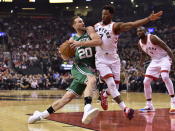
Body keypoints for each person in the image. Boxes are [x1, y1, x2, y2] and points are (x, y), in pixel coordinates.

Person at [28, 16, 102, 125]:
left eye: (82, 21)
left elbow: (98, 41)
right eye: (79, 22)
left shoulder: (89, 30)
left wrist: (80, 44)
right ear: (74, 26)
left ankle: (40, 115)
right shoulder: (72, 40)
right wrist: (65, 52)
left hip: (88, 68)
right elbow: (65, 57)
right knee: (91, 79)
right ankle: (87, 108)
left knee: (66, 98)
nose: (82, 23)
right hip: (79, 67)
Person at [94, 5, 163, 119]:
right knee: (111, 84)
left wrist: (148, 19)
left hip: (114, 59)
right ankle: (125, 109)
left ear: (111, 15)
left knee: (115, 87)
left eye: (106, 14)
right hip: (101, 59)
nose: (103, 16)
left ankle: (104, 95)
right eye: (102, 14)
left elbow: (132, 24)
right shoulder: (95, 26)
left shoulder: (115, 26)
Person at [137, 26, 175, 113]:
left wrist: (173, 61)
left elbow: (167, 48)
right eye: (138, 31)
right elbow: (143, 54)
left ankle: (173, 102)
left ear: (145, 32)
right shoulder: (139, 43)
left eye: (141, 31)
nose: (139, 32)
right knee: (146, 81)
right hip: (154, 61)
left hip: (164, 58)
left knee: (165, 76)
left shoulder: (152, 38)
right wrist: (140, 64)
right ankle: (149, 105)